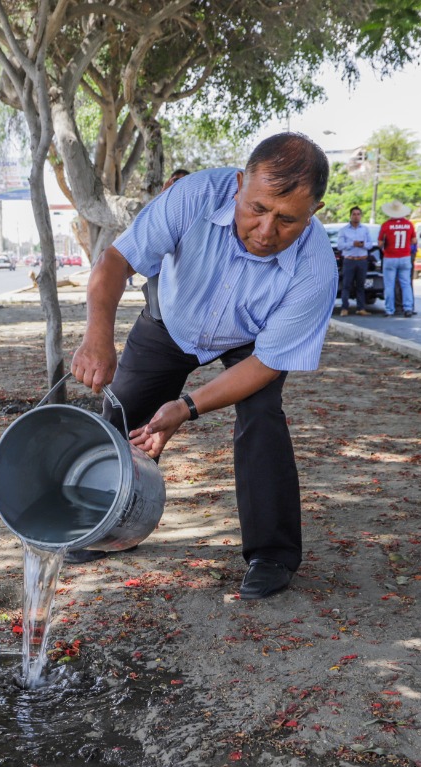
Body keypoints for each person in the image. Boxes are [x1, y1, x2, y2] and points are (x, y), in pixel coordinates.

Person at [69, 132, 337, 601]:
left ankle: (272, 555)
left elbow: (266, 363)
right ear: (239, 185)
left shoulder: (316, 270)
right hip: (172, 318)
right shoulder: (192, 196)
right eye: (257, 209)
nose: (266, 231)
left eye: (287, 219)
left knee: (262, 417)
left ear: (313, 212)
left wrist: (186, 407)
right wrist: (97, 338)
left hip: (249, 340)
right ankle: (109, 526)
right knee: (124, 411)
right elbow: (115, 261)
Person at [141, 169, 191, 319]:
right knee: (158, 316)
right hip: (160, 269)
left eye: (183, 182)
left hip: (185, 270)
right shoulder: (161, 205)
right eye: (176, 181)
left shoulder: (194, 206)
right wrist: (163, 195)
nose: (178, 185)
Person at [378, 200, 417, 316]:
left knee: (389, 285)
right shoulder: (409, 224)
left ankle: (389, 309)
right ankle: (408, 308)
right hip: (405, 257)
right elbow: (414, 240)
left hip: (390, 257)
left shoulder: (386, 225)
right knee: (406, 284)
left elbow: (380, 243)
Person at [335, 205, 372, 316]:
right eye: (354, 214)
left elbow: (370, 245)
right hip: (349, 260)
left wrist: (362, 244)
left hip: (362, 260)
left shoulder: (365, 229)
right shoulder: (344, 230)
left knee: (361, 285)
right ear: (350, 216)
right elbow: (340, 245)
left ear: (361, 216)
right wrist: (352, 244)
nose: (356, 216)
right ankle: (344, 308)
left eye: (358, 214)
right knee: (346, 285)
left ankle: (361, 308)